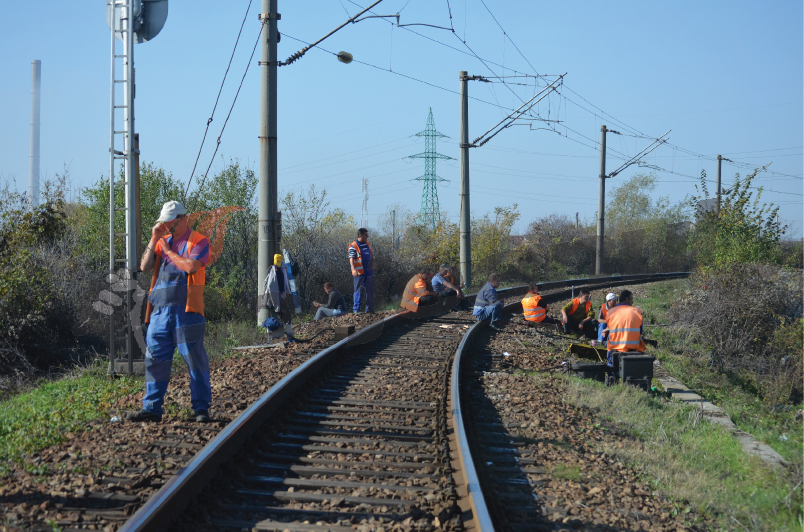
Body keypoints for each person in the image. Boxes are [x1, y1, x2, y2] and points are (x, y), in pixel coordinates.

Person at [127, 201, 211, 423]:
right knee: (154, 360)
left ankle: (201, 409)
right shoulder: (161, 241)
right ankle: (152, 408)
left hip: (188, 313)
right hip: (159, 313)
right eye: (163, 222)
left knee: (195, 360)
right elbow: (144, 266)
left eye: (169, 222)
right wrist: (155, 238)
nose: (166, 226)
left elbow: (191, 267)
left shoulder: (200, 241)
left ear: (182, 219)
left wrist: (167, 251)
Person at [604, 289, 645, 385]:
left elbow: (610, 330)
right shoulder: (637, 312)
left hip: (615, 348)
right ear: (627, 299)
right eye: (631, 299)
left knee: (610, 359)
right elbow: (641, 331)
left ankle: (610, 382)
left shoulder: (611, 312)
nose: (632, 301)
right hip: (634, 348)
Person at [262, 253, 296, 342]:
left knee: (284, 314)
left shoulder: (279, 270)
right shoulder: (274, 270)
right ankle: (286, 334)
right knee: (286, 314)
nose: (279, 262)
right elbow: (271, 286)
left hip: (278, 296)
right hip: (276, 297)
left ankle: (282, 333)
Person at [349, 228, 374, 314]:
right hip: (359, 273)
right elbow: (351, 258)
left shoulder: (367, 244)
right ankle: (356, 310)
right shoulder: (354, 245)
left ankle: (369, 309)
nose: (367, 236)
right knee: (357, 291)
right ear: (360, 235)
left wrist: (372, 262)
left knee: (369, 290)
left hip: (368, 271)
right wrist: (353, 269)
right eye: (366, 235)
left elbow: (370, 254)